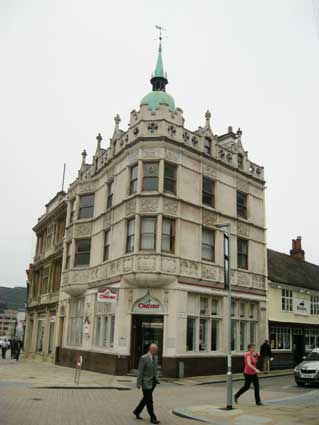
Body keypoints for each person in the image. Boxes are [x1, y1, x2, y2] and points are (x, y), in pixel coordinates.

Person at [133, 344, 160, 424]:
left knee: (146, 399)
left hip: (153, 382)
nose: (157, 351)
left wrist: (156, 378)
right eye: (156, 350)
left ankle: (137, 411)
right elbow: (140, 371)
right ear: (152, 350)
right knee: (149, 401)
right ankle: (153, 418)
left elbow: (155, 369)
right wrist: (138, 383)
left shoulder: (156, 357)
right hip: (145, 383)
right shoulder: (143, 358)